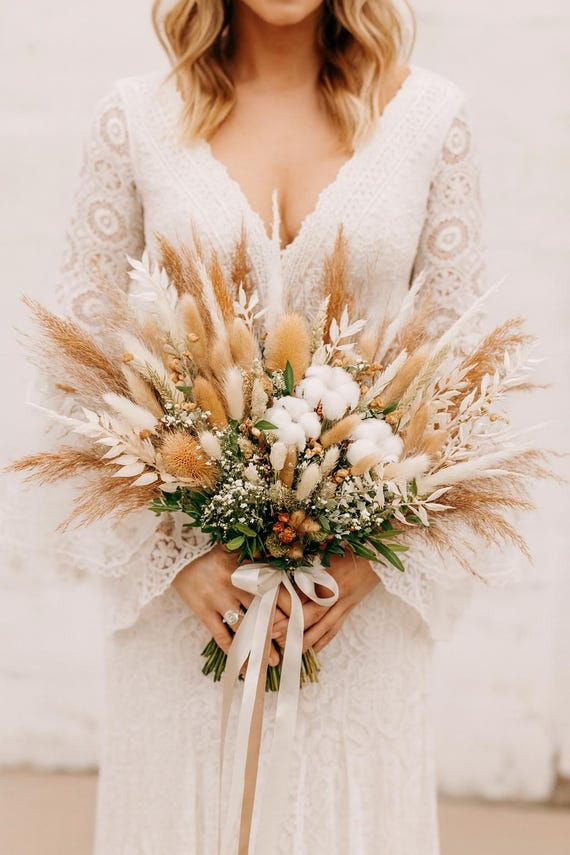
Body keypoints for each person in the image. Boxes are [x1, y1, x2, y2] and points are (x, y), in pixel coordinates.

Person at [52, 1, 486, 852]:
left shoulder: (432, 121)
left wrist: (372, 557)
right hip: (188, 604)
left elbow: (463, 373)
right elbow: (77, 368)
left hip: (355, 607)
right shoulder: (134, 120)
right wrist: (175, 558)